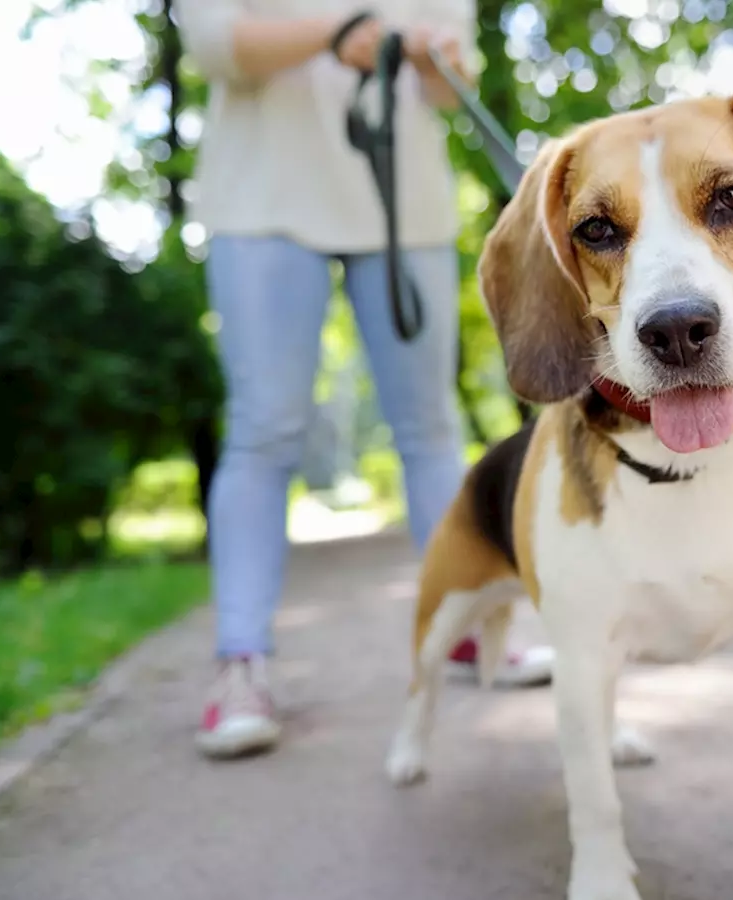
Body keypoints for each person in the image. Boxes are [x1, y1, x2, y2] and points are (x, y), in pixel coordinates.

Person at [173, 0, 553, 760]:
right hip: (262, 203)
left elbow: (450, 88)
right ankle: (240, 666)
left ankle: (473, 628)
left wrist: (435, 53)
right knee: (263, 428)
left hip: (403, 209)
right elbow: (217, 47)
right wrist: (338, 34)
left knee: (430, 428)